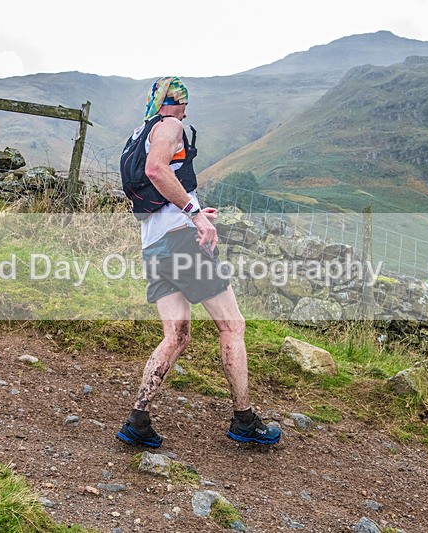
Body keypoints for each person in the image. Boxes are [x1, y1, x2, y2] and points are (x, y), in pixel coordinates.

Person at [116, 76, 281, 447]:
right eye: (182, 103)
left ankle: (138, 420)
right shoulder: (170, 125)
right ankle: (244, 420)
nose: (186, 111)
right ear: (170, 103)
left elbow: (156, 184)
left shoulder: (139, 133)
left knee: (176, 335)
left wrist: (188, 208)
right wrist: (195, 215)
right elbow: (157, 170)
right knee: (232, 325)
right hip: (182, 241)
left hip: (155, 244)